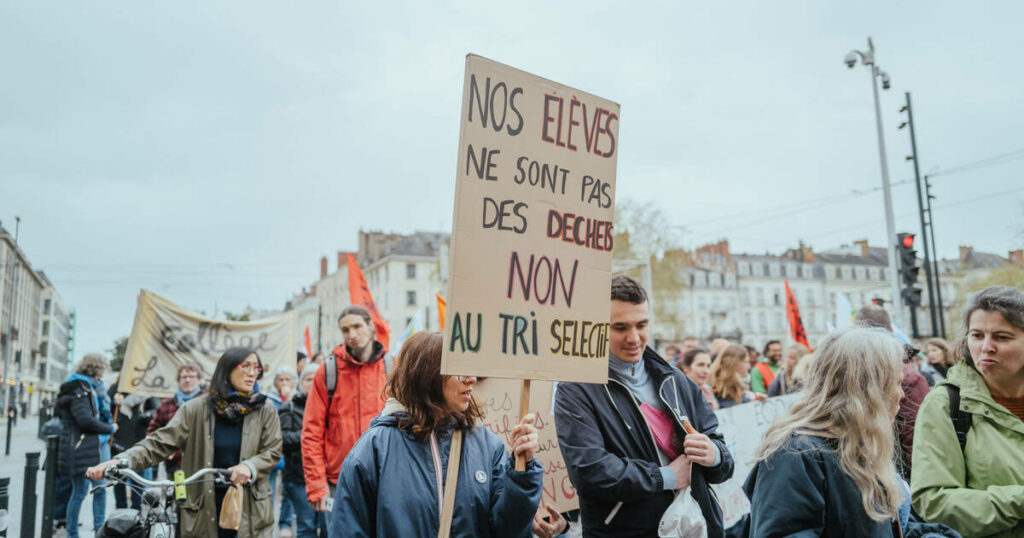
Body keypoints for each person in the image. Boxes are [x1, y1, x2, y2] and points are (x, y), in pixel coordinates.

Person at [554, 276, 734, 537]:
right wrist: (665, 477)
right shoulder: (576, 389)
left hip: (694, 526)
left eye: (641, 325)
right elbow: (589, 470)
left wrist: (713, 454)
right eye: (620, 327)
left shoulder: (676, 380)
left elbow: (724, 458)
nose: (634, 338)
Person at [330, 331, 543, 536]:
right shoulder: (373, 449)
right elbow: (348, 529)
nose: (472, 379)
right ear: (428, 376)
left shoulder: (488, 446)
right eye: (460, 371)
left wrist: (522, 472)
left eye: (472, 370)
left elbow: (508, 530)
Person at [88, 347, 283, 537]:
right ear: (227, 369)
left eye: (256, 368)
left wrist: (249, 466)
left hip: (249, 506)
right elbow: (158, 442)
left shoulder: (265, 408)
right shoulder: (195, 408)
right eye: (245, 366)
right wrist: (120, 461)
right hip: (204, 506)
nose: (252, 373)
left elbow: (273, 450)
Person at [743, 327, 907, 537]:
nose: (901, 394)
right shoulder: (795, 455)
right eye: (898, 383)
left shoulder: (855, 444)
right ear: (870, 388)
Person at [912, 286, 1024, 537]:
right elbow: (933, 501)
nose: (986, 347)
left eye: (1002, 337)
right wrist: (1018, 500)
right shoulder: (945, 403)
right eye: (976, 335)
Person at [302, 305, 389, 514]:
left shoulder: (391, 367)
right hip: (339, 481)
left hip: (385, 479)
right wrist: (316, 484)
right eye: (346, 330)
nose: (352, 334)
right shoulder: (328, 370)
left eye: (357, 326)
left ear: (371, 326)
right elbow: (311, 432)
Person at [854, 304, 930, 477]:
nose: (900, 392)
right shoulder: (909, 376)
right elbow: (916, 438)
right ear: (890, 329)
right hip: (888, 473)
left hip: (862, 471)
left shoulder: (844, 370)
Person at [56, 353, 117, 538]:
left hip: (96, 445)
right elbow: (85, 420)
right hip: (82, 447)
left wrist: (114, 404)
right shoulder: (79, 387)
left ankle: (99, 530)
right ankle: (72, 534)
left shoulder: (94, 387)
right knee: (80, 492)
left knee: (99, 490)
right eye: (102, 369)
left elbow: (99, 412)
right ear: (96, 369)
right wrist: (110, 427)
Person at [279, 364, 325, 538]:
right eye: (308, 379)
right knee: (307, 527)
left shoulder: (330, 407)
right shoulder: (289, 408)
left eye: (316, 379)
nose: (313, 383)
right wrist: (309, 433)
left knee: (328, 526)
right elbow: (281, 440)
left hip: (326, 477)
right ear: (300, 383)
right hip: (299, 477)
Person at [109, 381, 160, 510]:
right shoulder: (117, 387)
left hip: (138, 441)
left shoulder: (147, 389)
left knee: (138, 481)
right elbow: (104, 409)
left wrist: (144, 416)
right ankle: (120, 511)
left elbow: (156, 410)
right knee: (118, 480)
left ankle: (136, 512)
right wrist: (113, 402)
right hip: (119, 442)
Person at [147, 363, 205, 477]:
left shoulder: (207, 403)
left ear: (199, 380)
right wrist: (163, 450)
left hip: (201, 466)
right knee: (175, 495)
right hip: (174, 467)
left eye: (191, 376)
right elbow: (152, 431)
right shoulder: (166, 404)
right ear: (178, 381)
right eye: (184, 377)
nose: (187, 380)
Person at [267, 365, 297, 536]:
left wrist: (290, 399)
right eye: (281, 379)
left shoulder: (297, 399)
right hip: (273, 448)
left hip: (290, 450)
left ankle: (284, 523)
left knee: (287, 489)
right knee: (269, 487)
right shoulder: (270, 400)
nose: (284, 383)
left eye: (287, 379)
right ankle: (268, 521)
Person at [710, 344, 757, 408]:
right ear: (733, 363)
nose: (749, 366)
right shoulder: (718, 391)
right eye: (746, 362)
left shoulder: (739, 387)